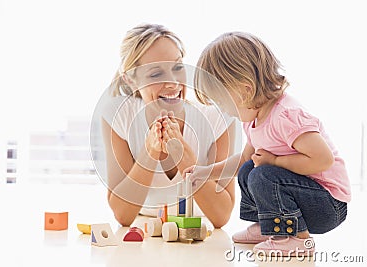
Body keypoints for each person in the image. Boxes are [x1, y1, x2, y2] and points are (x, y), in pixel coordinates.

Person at [185, 31, 351, 256]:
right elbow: (244, 160)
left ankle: (297, 240)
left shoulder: (286, 116)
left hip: (328, 204)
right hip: (302, 196)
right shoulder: (253, 119)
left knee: (261, 174)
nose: (222, 109)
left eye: (222, 101)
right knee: (249, 168)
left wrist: (275, 161)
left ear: (246, 90)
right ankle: (270, 227)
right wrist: (206, 172)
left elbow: (323, 160)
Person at [99, 23, 237, 227]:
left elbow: (221, 216)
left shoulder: (217, 117)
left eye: (178, 67)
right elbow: (123, 215)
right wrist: (150, 151)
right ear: (131, 80)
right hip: (145, 234)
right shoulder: (119, 117)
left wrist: (184, 157)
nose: (173, 83)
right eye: (156, 74)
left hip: (200, 232)